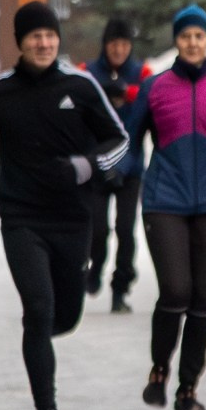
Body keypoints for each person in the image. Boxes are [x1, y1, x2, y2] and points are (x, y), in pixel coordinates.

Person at [0, 1, 130, 410]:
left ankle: (40, 336)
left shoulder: (80, 86)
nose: (44, 43)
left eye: (49, 35)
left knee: (65, 316)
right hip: (21, 216)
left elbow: (119, 140)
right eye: (34, 37)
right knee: (38, 308)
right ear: (21, 42)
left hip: (72, 217)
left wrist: (85, 167)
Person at [121, 5, 206, 410]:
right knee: (176, 290)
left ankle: (188, 387)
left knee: (202, 299)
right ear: (176, 41)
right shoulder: (155, 87)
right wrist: (125, 175)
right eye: (185, 36)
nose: (193, 43)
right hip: (165, 201)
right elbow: (130, 141)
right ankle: (160, 368)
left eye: (199, 36)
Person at [84, 17, 147, 311]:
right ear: (105, 45)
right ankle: (95, 265)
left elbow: (152, 101)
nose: (119, 50)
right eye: (113, 44)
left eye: (124, 44)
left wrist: (128, 93)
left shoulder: (142, 73)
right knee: (98, 229)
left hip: (130, 167)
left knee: (125, 229)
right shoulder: (88, 72)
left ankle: (120, 288)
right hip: (98, 165)